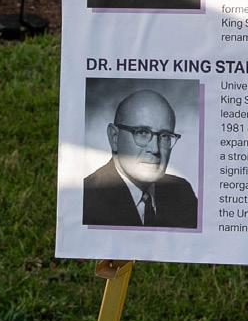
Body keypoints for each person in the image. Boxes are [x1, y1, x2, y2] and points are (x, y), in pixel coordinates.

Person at [83, 89, 199, 228]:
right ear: (114, 138)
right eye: (142, 133)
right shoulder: (86, 198)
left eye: (165, 136)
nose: (155, 149)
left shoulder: (182, 192)